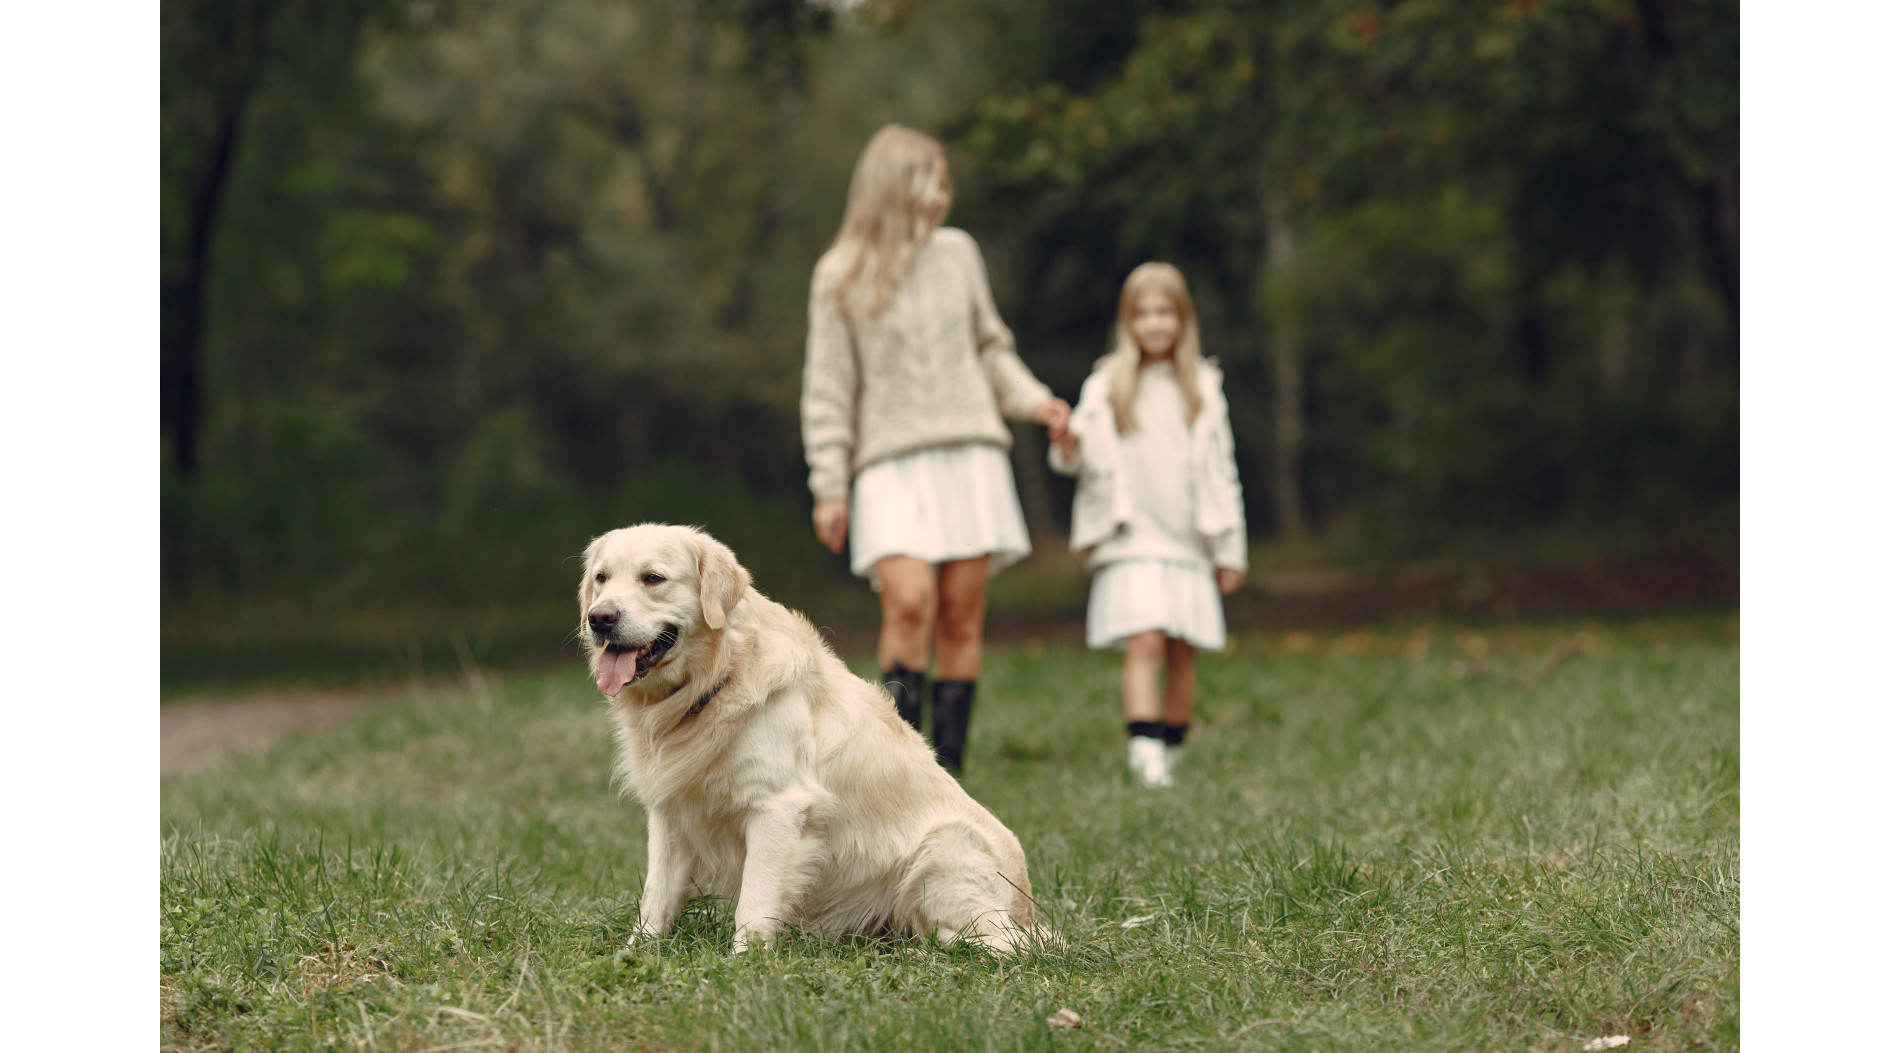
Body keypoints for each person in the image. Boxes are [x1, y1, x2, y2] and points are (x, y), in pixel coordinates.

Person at [801, 124, 1071, 775]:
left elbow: (990, 347)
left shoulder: (958, 254)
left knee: (959, 613)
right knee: (910, 599)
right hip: (889, 464)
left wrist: (1036, 401)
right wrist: (828, 483)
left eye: (947, 184)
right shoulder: (839, 273)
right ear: (891, 188)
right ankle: (902, 766)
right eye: (930, 181)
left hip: (970, 454)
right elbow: (828, 386)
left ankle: (949, 776)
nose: (941, 196)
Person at [1050, 262, 1247, 788]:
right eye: (1143, 314)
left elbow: (1223, 469)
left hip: (1188, 537)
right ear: (1127, 321)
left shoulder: (1203, 386)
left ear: (1182, 320)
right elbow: (1079, 456)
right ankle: (1144, 753)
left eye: (1165, 312)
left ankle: (1174, 747)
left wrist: (1231, 549)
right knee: (1146, 641)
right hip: (1131, 535)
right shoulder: (1106, 383)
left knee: (1182, 648)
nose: (1154, 324)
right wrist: (1066, 441)